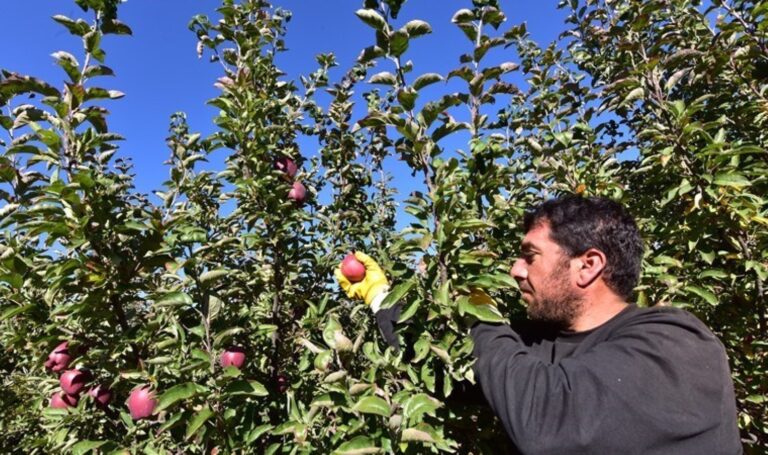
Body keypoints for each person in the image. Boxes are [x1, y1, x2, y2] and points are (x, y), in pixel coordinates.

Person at [335, 196, 741, 454]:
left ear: (588, 265)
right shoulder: (540, 344)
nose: (514, 269)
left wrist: (483, 319)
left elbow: (550, 426)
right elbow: (442, 371)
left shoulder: (675, 341)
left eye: (530, 256)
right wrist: (381, 297)